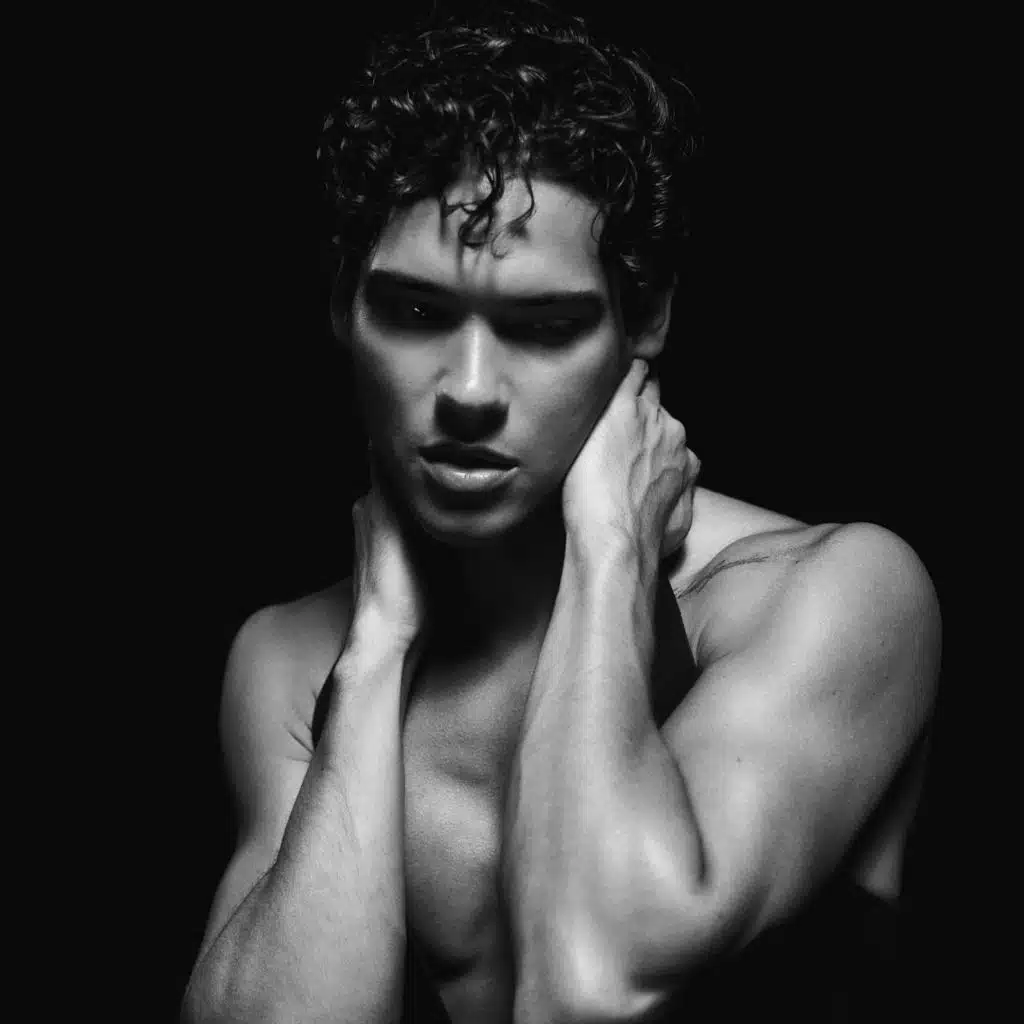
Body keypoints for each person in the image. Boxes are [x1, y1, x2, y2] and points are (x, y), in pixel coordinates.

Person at [181, 3, 941, 1021]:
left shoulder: (825, 593)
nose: (469, 390)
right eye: (415, 312)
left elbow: (592, 983)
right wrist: (378, 645)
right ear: (341, 306)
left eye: (542, 326)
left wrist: (611, 544)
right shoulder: (291, 657)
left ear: (645, 317)